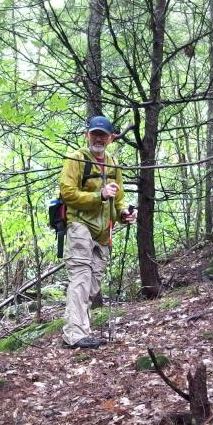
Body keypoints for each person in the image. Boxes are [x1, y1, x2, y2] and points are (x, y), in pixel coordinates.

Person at [59, 115, 137, 349]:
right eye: (95, 134)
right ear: (87, 134)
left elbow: (119, 198)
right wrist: (98, 195)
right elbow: (67, 193)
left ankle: (82, 330)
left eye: (103, 135)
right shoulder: (76, 159)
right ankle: (73, 335)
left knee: (92, 285)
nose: (98, 139)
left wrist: (124, 214)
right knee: (81, 278)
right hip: (79, 225)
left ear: (111, 138)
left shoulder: (113, 163)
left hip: (103, 232)